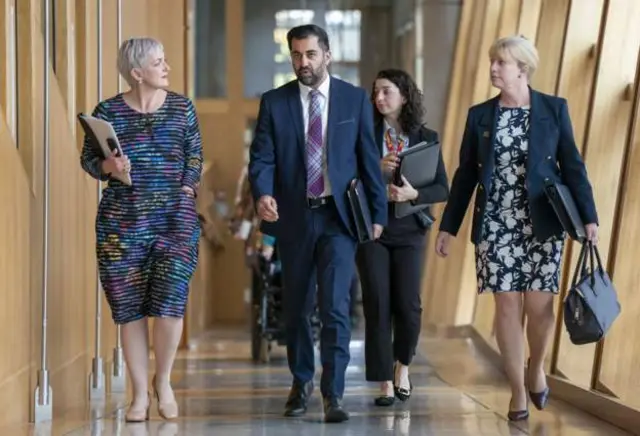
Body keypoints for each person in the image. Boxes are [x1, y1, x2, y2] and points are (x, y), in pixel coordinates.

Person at [435, 35, 598, 421]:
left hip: (543, 222)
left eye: (501, 62)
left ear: (522, 69)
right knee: (507, 304)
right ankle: (517, 390)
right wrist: (449, 227)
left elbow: (573, 166)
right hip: (496, 222)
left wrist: (589, 217)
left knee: (540, 310)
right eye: (492, 61)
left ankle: (536, 366)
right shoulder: (479, 116)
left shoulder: (554, 110)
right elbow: (464, 177)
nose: (493, 68)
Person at [248, 24, 387, 423]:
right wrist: (262, 193)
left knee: (335, 308)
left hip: (338, 218)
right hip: (293, 217)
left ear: (326, 54)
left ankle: (334, 392)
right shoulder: (274, 102)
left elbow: (367, 161)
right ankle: (301, 381)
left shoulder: (354, 99)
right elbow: (262, 157)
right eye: (296, 55)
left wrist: (377, 214)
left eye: (309, 54)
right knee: (296, 307)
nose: (302, 63)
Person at [80, 37, 203, 422]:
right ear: (136, 72)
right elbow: (89, 160)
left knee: (169, 306)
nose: (166, 67)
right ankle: (138, 394)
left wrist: (186, 187)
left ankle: (162, 381)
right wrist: (109, 169)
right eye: (158, 62)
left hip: (175, 220)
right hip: (121, 221)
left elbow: (195, 154)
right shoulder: (108, 112)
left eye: (165, 60)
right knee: (129, 309)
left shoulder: (183, 108)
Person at [356, 69, 449, 406]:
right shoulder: (364, 135)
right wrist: (374, 168)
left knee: (408, 306)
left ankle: (403, 366)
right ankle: (383, 381)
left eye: (387, 91)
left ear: (405, 96)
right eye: (376, 92)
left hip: (410, 230)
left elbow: (442, 187)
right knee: (378, 303)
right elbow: (347, 177)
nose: (379, 98)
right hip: (372, 229)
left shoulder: (427, 136)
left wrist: (413, 194)